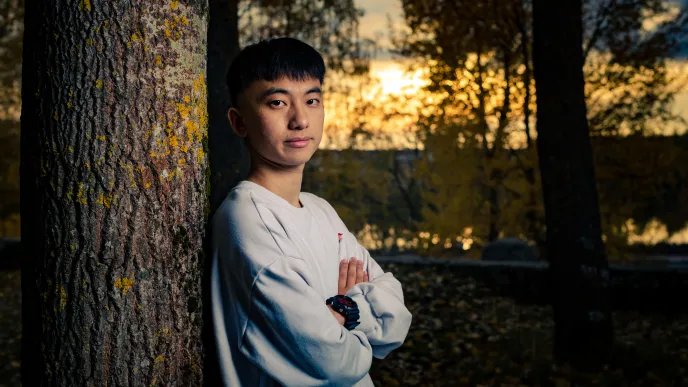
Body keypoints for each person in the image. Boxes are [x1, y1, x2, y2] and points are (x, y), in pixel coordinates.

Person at [211, 37, 413, 387]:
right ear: (239, 121)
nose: (300, 119)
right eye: (277, 102)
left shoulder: (320, 211)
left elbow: (396, 317)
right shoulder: (247, 220)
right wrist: (363, 319)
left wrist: (345, 311)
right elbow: (337, 362)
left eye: (312, 100)